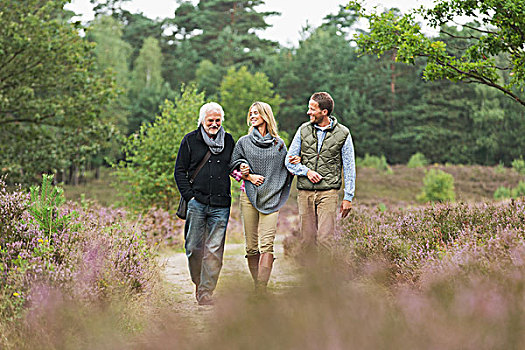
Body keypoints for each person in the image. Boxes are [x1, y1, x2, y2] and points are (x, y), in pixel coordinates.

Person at [230, 101, 296, 291]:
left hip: (271, 199)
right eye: (250, 113)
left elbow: (286, 169)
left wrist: (295, 162)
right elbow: (232, 168)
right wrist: (248, 175)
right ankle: (256, 282)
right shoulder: (243, 142)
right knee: (251, 246)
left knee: (267, 245)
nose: (252, 116)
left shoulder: (278, 144)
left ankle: (261, 288)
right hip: (248, 196)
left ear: (265, 116)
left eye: (256, 113)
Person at [174, 102, 235, 306]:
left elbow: (234, 166)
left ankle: (206, 292)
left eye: (218, 120)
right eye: (211, 120)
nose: (214, 124)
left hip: (221, 204)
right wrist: (189, 196)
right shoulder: (190, 140)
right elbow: (179, 171)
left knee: (214, 250)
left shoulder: (228, 140)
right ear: (202, 120)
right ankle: (199, 284)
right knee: (193, 247)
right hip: (197, 202)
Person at [285, 91, 355, 257]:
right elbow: (288, 161)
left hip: (329, 193)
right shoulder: (303, 130)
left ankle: (324, 281)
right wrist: (306, 171)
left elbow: (349, 166)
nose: (308, 112)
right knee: (307, 240)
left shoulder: (343, 133)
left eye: (312, 109)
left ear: (324, 112)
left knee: (325, 239)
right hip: (305, 193)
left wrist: (348, 197)